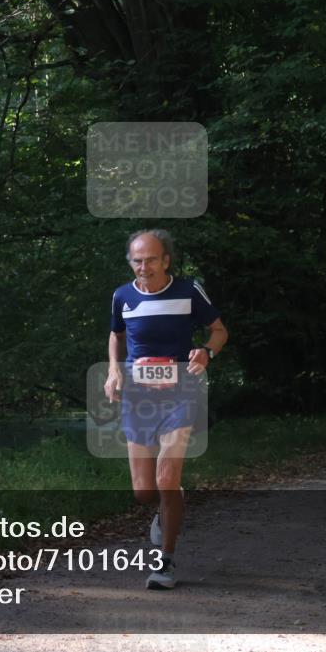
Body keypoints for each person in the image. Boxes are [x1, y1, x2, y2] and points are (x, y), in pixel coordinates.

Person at [104, 229, 228, 589]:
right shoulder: (121, 296)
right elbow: (116, 334)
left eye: (151, 260)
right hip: (139, 397)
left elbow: (219, 330)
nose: (144, 267)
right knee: (144, 492)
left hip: (180, 393)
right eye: (137, 260)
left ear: (166, 261)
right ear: (130, 262)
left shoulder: (189, 291)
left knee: (166, 479)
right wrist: (114, 369)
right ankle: (169, 505)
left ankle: (166, 562)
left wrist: (207, 352)